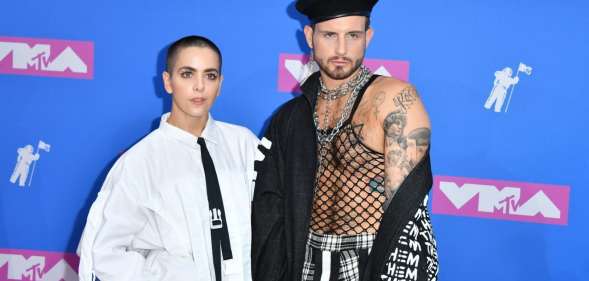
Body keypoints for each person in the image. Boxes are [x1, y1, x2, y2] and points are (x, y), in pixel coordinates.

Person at [252, 1, 438, 280]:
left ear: (368, 36)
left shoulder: (393, 100)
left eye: (353, 36)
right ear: (309, 36)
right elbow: (270, 208)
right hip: (306, 262)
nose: (341, 49)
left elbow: (407, 216)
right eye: (329, 35)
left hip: (369, 261)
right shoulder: (291, 117)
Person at [77, 35, 259, 281]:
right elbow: (103, 252)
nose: (199, 86)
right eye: (187, 74)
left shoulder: (244, 143)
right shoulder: (140, 161)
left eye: (210, 75)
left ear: (220, 83)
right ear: (168, 81)